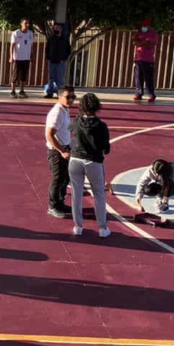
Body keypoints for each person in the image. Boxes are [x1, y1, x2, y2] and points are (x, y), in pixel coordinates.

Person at [69, 93, 112, 238]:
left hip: (75, 159)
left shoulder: (75, 121)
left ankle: (78, 226)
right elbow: (106, 148)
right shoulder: (101, 126)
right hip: (93, 161)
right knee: (99, 194)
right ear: (97, 107)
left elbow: (71, 132)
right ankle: (102, 228)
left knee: (76, 194)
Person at [45, 87, 75, 219]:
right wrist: (62, 151)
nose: (71, 100)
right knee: (57, 179)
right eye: (68, 97)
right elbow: (49, 134)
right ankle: (52, 206)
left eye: (73, 97)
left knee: (65, 178)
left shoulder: (65, 110)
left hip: (65, 148)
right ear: (60, 97)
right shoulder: (57, 113)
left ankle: (60, 202)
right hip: (57, 151)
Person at [132, 19, 159, 102]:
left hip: (148, 59)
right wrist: (144, 42)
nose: (143, 27)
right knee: (138, 77)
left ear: (149, 26)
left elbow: (151, 45)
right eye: (143, 26)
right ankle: (139, 93)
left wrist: (141, 43)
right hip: (138, 58)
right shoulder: (139, 32)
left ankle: (151, 94)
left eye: (145, 26)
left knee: (148, 78)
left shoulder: (153, 34)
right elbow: (135, 42)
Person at [43, 23, 71, 98]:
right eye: (55, 28)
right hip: (51, 61)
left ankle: (60, 94)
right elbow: (47, 49)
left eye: (57, 28)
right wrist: (48, 57)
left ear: (61, 29)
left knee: (60, 79)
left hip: (60, 62)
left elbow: (68, 50)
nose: (56, 29)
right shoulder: (50, 39)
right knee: (51, 78)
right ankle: (49, 93)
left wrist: (64, 58)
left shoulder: (65, 39)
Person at [9, 18, 34, 99]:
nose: (27, 25)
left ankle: (22, 91)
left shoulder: (30, 33)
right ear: (21, 24)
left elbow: (31, 45)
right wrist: (11, 57)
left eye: (28, 23)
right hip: (17, 58)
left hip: (26, 58)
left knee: (24, 75)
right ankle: (13, 91)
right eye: (25, 23)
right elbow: (12, 45)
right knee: (15, 75)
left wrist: (31, 55)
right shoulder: (16, 33)